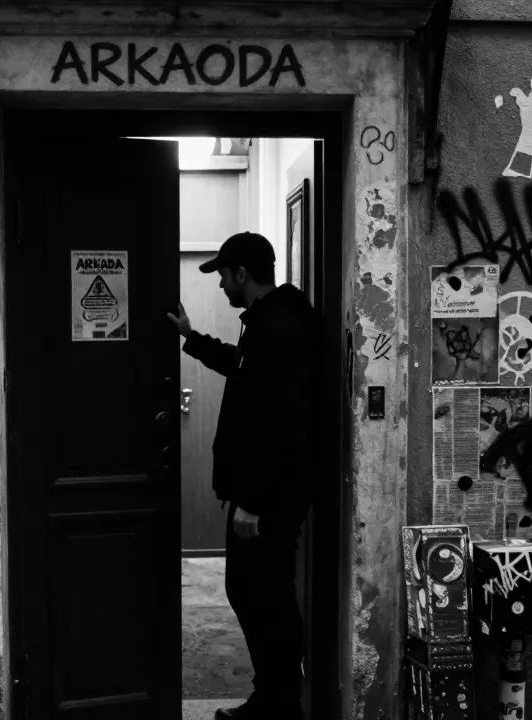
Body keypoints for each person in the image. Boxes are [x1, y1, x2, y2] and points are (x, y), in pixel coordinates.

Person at [166, 231, 321, 720]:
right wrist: (191, 337)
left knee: (264, 595)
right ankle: (274, 697)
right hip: (268, 489)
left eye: (223, 276)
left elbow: (284, 423)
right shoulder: (269, 321)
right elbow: (242, 368)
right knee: (255, 591)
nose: (220, 286)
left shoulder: (280, 327)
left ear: (242, 273)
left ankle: (278, 703)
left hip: (270, 495)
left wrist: (253, 500)